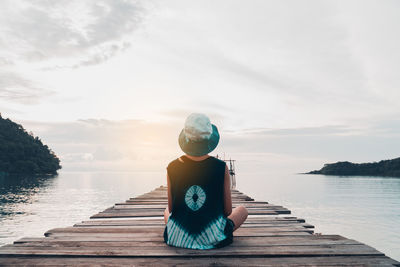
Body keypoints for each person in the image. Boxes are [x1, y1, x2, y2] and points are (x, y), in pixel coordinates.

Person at [163, 113, 248, 249]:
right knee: (242, 210)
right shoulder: (221, 167)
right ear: (209, 139)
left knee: (166, 210)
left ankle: (179, 231)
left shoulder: (172, 166)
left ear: (186, 138)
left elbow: (173, 208)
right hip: (213, 237)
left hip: (178, 238)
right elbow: (227, 211)